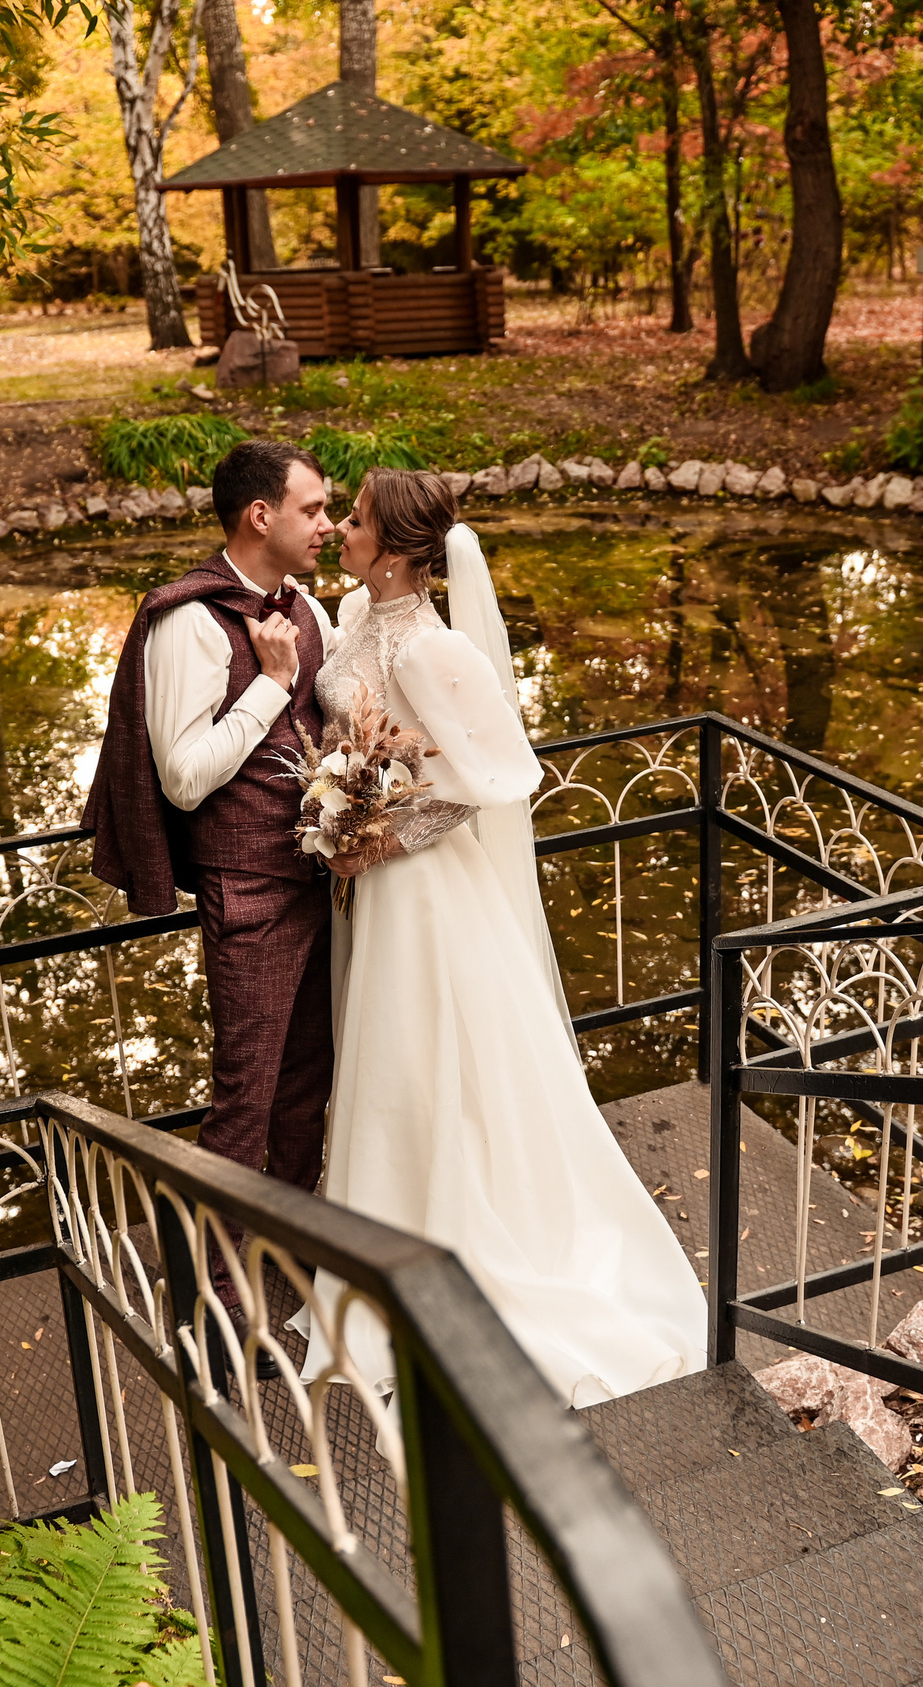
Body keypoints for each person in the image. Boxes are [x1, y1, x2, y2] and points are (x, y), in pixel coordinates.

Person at [293, 468, 707, 1407]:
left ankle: (458, 1248)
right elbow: (347, 731)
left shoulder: (437, 651)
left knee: (429, 1064)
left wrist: (376, 835)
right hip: (372, 887)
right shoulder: (358, 618)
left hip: (427, 894)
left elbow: (494, 778)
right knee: (389, 1069)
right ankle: (380, 1241)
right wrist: (337, 800)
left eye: (355, 523)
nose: (345, 534)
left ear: (398, 551)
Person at [81, 441, 340, 1236]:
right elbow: (185, 778)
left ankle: (291, 1263)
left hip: (325, 882)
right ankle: (216, 1299)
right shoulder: (187, 621)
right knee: (246, 1103)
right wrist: (268, 685)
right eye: (313, 509)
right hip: (249, 895)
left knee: (308, 1089)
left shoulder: (307, 607)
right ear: (261, 516)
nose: (328, 523)